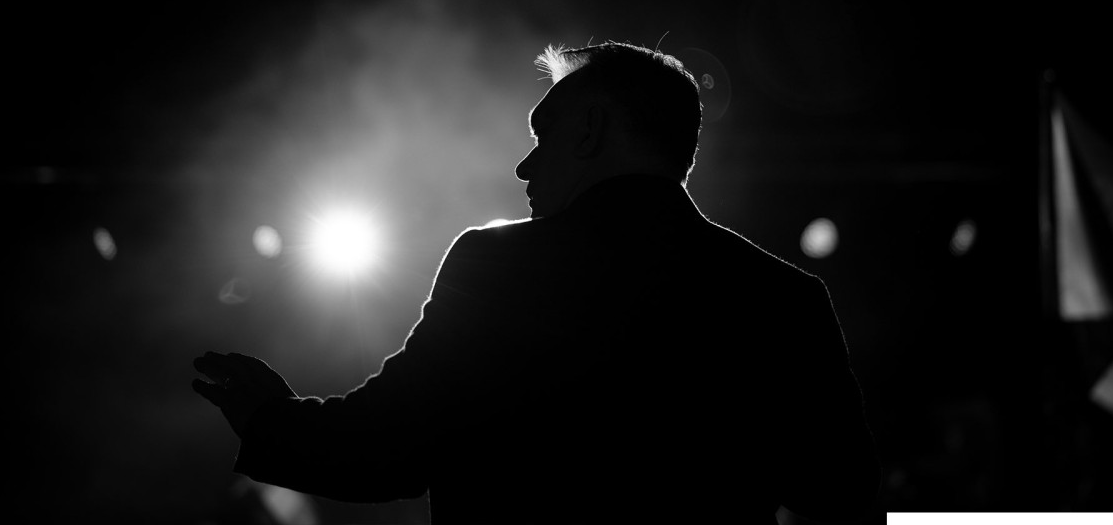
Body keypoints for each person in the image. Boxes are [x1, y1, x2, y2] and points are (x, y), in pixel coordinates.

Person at [194, 41, 880, 523]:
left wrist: (268, 418)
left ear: (591, 131)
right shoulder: (785, 298)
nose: (525, 167)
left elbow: (389, 449)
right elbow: (843, 500)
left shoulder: (500, 266)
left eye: (543, 134)